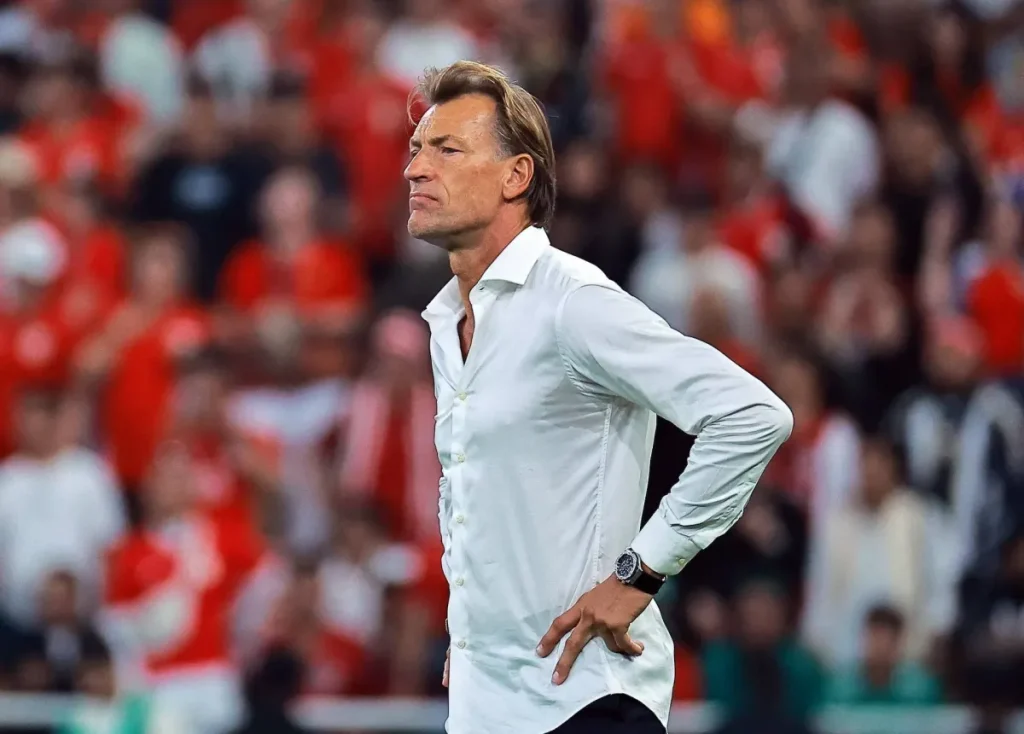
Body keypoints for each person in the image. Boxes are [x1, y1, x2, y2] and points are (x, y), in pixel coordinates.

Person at [407, 61, 793, 734]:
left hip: (587, 700)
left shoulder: (573, 302)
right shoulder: (449, 322)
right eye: (416, 149)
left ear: (515, 176)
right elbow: (477, 494)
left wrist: (640, 573)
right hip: (487, 707)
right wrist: (474, 638)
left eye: (447, 150)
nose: (415, 169)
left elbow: (752, 415)